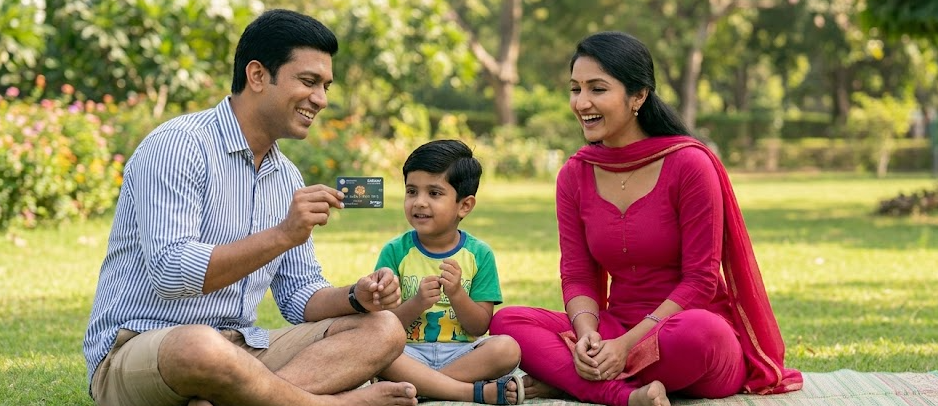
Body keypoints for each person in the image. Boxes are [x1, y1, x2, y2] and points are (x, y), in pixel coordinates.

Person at [82, 9, 418, 406]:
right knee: (200, 346)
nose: (321, 99)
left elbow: (299, 295)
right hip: (143, 349)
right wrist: (281, 234)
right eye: (309, 81)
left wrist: (357, 296)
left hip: (241, 350)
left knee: (384, 329)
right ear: (257, 75)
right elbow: (171, 272)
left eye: (326, 85)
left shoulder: (287, 176)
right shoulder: (179, 146)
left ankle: (236, 398)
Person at [489, 31, 804, 406]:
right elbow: (578, 274)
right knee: (508, 322)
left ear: (638, 96)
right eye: (575, 89)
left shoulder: (689, 164)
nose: (582, 102)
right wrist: (588, 332)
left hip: (686, 330)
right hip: (614, 325)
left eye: (597, 89)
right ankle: (626, 395)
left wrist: (625, 346)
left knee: (701, 334)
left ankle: (570, 381)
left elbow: (701, 281)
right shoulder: (575, 174)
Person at [373, 140, 525, 405]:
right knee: (372, 350)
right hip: (408, 353)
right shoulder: (395, 252)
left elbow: (479, 326)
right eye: (411, 191)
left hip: (462, 354)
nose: (419, 203)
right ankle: (466, 391)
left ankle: (423, 386)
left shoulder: (479, 255)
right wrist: (416, 303)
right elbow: (383, 325)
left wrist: (456, 293)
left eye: (434, 193)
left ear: (464, 205)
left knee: (507, 348)